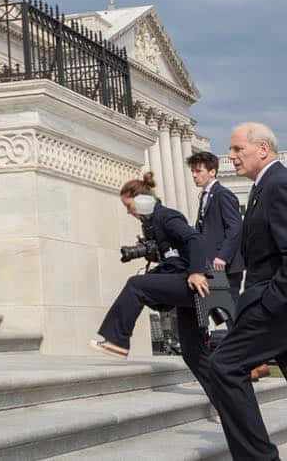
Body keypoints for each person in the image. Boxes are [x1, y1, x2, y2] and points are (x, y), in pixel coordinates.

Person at [90, 173, 214, 395]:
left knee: (135, 285)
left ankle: (117, 341)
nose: (128, 212)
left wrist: (196, 272)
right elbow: (175, 255)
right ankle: (224, 401)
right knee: (192, 353)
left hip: (195, 283)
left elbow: (195, 239)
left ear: (140, 199)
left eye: (128, 206)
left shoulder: (165, 216)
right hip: (185, 285)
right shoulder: (152, 223)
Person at [207, 123, 287, 461]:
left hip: (274, 305)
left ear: (263, 149)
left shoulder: (278, 184)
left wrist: (268, 304)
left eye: (238, 149)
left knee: (224, 366)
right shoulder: (262, 186)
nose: (231, 155)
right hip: (270, 302)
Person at [187, 150, 244, 298]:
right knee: (221, 312)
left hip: (226, 266)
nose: (194, 175)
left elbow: (235, 227)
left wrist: (223, 256)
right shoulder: (205, 195)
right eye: (192, 171)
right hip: (211, 266)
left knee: (232, 312)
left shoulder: (223, 194)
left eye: (198, 171)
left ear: (212, 172)